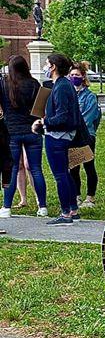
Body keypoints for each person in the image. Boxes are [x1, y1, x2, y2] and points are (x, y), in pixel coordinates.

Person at [31, 53, 81, 225]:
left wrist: (43, 122)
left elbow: (61, 116)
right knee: (65, 174)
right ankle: (73, 208)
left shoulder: (60, 87)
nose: (45, 67)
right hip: (63, 135)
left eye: (47, 64)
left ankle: (66, 212)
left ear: (53, 67)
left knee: (60, 175)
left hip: (57, 136)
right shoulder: (63, 85)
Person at [0, 55, 46, 218]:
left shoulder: (5, 84)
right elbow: (41, 110)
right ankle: (42, 206)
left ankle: (6, 207)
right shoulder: (34, 84)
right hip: (32, 130)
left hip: (11, 131)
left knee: (12, 169)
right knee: (36, 168)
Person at [67, 62, 101, 210]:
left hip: (86, 135)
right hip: (72, 136)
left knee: (89, 166)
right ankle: (76, 195)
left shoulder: (89, 97)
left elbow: (89, 117)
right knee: (73, 167)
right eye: (72, 75)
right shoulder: (69, 94)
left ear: (83, 77)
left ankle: (90, 197)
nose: (74, 78)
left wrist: (74, 124)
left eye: (77, 75)